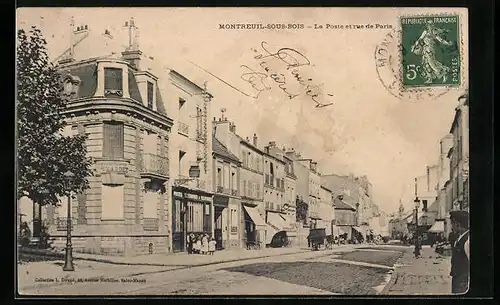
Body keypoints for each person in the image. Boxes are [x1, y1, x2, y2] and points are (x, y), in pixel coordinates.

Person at [449, 210, 470, 294]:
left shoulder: (467, 241)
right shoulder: (460, 239)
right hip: (458, 280)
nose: (451, 227)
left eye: (452, 224)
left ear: (458, 224)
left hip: (463, 284)